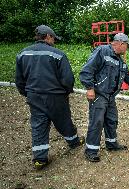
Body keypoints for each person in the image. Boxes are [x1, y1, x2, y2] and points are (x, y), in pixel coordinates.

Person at [15, 25, 85, 170]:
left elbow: (19, 79)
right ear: (47, 36)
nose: (54, 41)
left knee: (38, 124)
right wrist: (67, 91)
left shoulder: (22, 54)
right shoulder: (58, 54)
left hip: (34, 95)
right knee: (63, 120)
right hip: (55, 95)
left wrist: (26, 92)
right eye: (53, 38)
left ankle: (40, 158)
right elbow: (67, 78)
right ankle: (73, 142)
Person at [80, 33, 129, 162]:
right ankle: (91, 151)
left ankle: (112, 144)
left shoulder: (121, 61)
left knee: (112, 120)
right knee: (97, 121)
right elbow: (87, 70)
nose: (127, 49)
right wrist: (89, 88)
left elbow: (127, 77)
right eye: (127, 46)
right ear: (121, 43)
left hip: (110, 96)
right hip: (99, 94)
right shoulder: (103, 51)